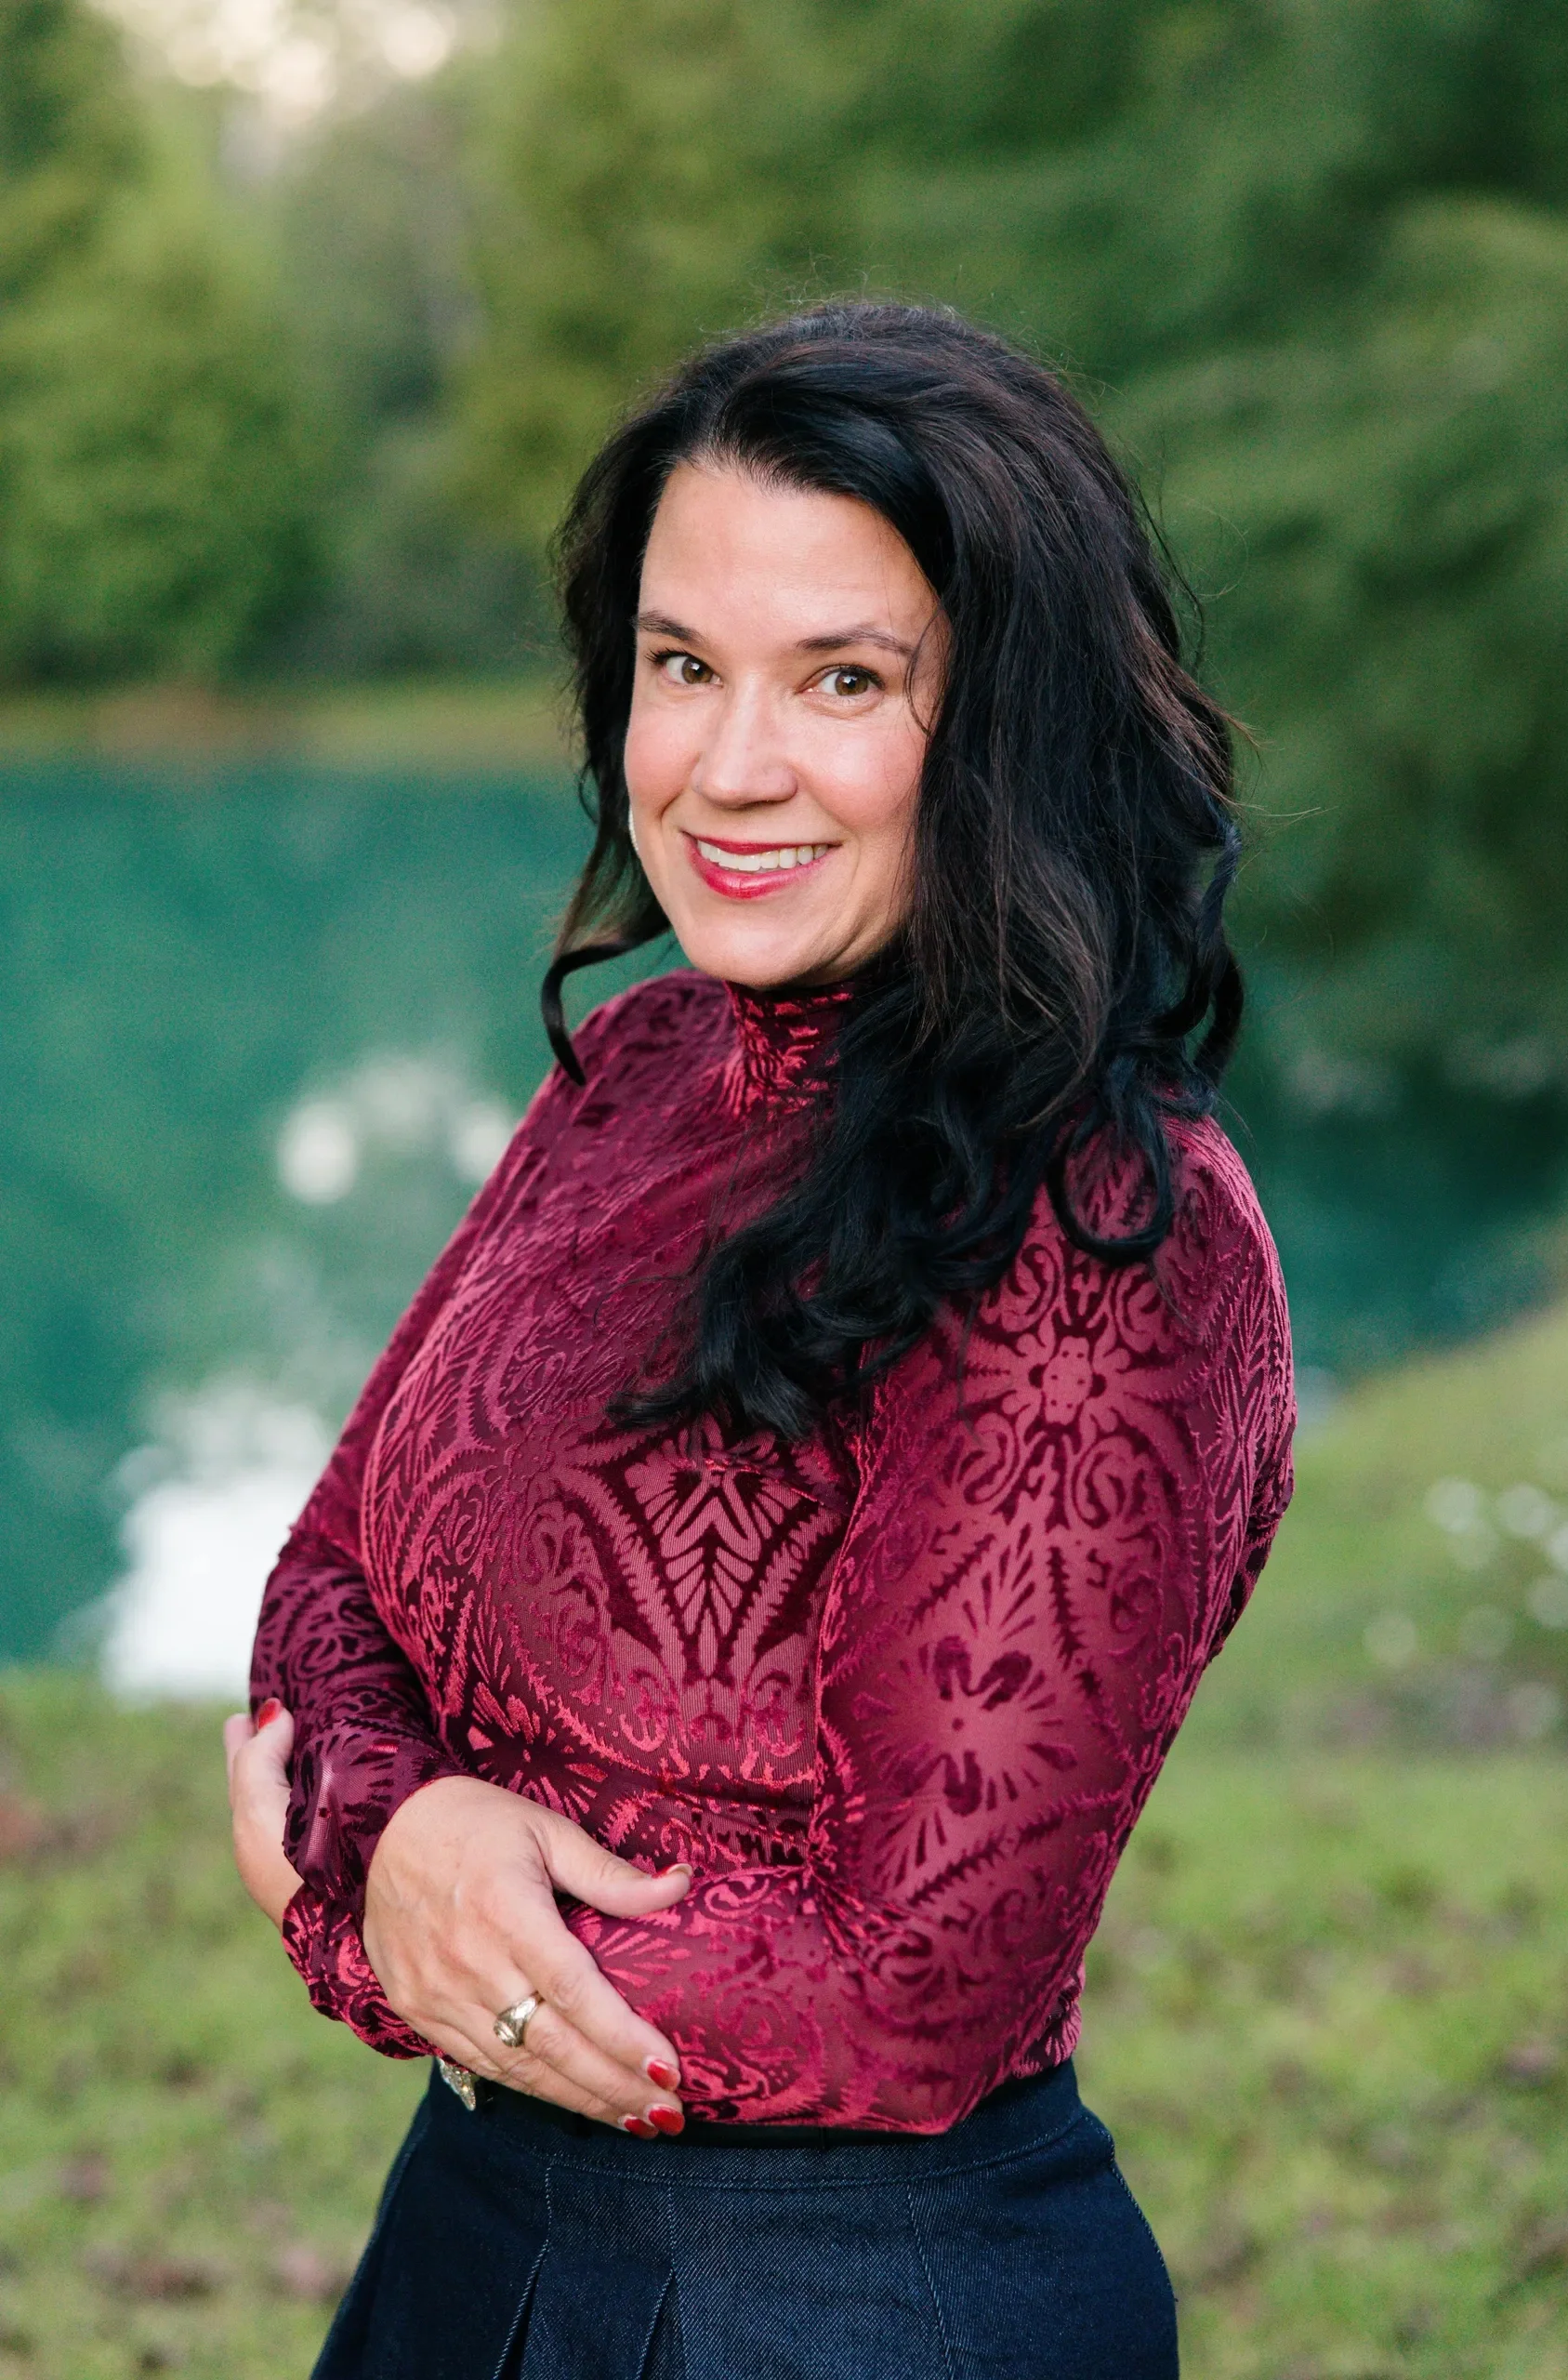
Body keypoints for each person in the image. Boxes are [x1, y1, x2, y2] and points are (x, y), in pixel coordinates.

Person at [226, 301, 1294, 2380]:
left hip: (850, 2296)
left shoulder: (1101, 1225)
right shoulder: (638, 1067)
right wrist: (410, 1829)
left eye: (843, 679)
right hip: (468, 2236)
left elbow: (904, 1987)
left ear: (1002, 717)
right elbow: (328, 1575)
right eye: (680, 663)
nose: (726, 766)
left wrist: (350, 1917)